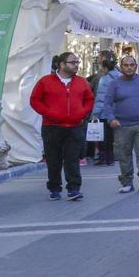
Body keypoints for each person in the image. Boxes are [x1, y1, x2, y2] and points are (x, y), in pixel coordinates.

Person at [30, 51, 95, 201]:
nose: (76, 65)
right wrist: (48, 113)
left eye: (77, 62)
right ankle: (54, 188)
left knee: (72, 159)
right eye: (73, 62)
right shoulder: (45, 81)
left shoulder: (82, 82)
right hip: (52, 127)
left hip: (74, 127)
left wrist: (82, 113)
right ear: (61, 64)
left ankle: (74, 188)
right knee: (53, 159)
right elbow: (35, 100)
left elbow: (89, 100)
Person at [105, 55, 139, 193]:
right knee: (123, 155)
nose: (129, 67)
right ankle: (126, 182)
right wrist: (111, 119)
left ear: (136, 66)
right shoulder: (114, 84)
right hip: (121, 125)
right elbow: (107, 104)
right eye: (126, 65)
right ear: (121, 67)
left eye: (132, 65)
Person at [85, 50, 117, 166]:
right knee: (110, 136)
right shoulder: (118, 75)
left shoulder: (104, 78)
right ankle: (109, 158)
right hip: (114, 111)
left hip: (104, 111)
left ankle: (104, 158)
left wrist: (95, 112)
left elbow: (101, 97)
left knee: (103, 136)